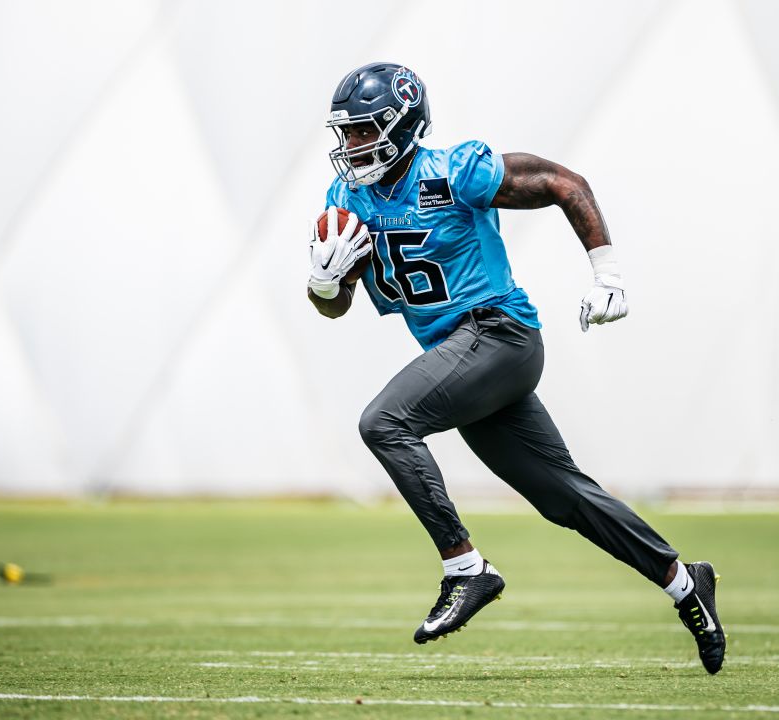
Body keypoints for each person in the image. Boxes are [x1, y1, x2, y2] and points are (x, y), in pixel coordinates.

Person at [306, 62, 725, 674]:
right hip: (461, 357)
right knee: (565, 496)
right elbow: (334, 303)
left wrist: (606, 272)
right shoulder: (347, 199)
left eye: (366, 132)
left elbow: (564, 181)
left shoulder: (453, 172)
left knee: (385, 422)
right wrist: (320, 282)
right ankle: (687, 584)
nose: (353, 146)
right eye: (347, 134)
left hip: (499, 334)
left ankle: (465, 568)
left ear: (401, 127)